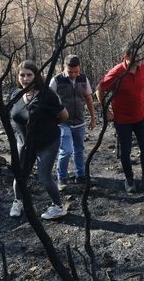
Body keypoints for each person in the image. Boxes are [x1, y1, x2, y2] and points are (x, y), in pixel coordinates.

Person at [9, 60, 69, 220]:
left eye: (29, 75)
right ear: (18, 77)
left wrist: (48, 126)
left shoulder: (47, 95)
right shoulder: (16, 95)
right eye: (22, 75)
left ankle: (58, 207)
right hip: (24, 142)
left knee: (44, 176)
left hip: (47, 142)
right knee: (20, 175)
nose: (26, 78)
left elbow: (64, 116)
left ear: (36, 76)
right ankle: (18, 201)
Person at [96, 41, 144, 193]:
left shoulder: (142, 67)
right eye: (136, 56)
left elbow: (143, 81)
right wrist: (106, 110)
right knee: (125, 152)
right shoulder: (117, 72)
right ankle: (129, 180)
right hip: (123, 120)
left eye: (140, 55)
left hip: (140, 117)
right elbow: (100, 89)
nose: (139, 58)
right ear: (126, 57)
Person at [49, 55, 96, 190]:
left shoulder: (83, 79)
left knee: (79, 149)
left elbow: (88, 98)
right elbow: (48, 100)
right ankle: (62, 178)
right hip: (63, 122)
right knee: (66, 150)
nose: (74, 75)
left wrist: (93, 118)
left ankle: (80, 175)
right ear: (64, 67)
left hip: (80, 121)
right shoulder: (56, 80)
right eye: (70, 72)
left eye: (76, 71)